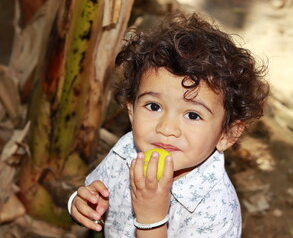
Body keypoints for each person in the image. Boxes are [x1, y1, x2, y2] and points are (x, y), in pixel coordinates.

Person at [67, 12, 269, 238]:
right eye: (154, 107)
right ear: (132, 110)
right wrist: (80, 204)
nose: (166, 128)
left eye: (192, 115)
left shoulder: (214, 211)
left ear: (227, 134)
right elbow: (93, 195)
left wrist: (151, 219)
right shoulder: (126, 151)